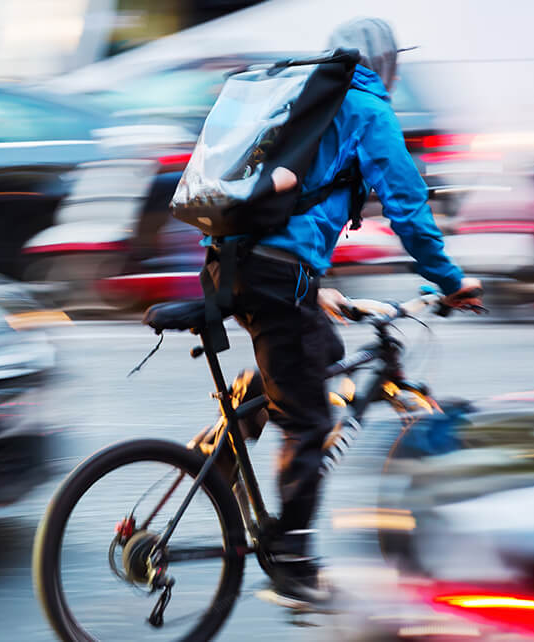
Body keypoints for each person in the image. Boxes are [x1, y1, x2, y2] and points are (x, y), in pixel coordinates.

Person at [201, 17, 482, 607]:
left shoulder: (309, 97)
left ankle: (222, 448)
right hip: (277, 276)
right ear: (385, 64)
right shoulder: (369, 111)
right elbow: (407, 208)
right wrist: (451, 282)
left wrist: (316, 283)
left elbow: (295, 201)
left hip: (235, 262)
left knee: (321, 355)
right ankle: (292, 557)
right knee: (309, 421)